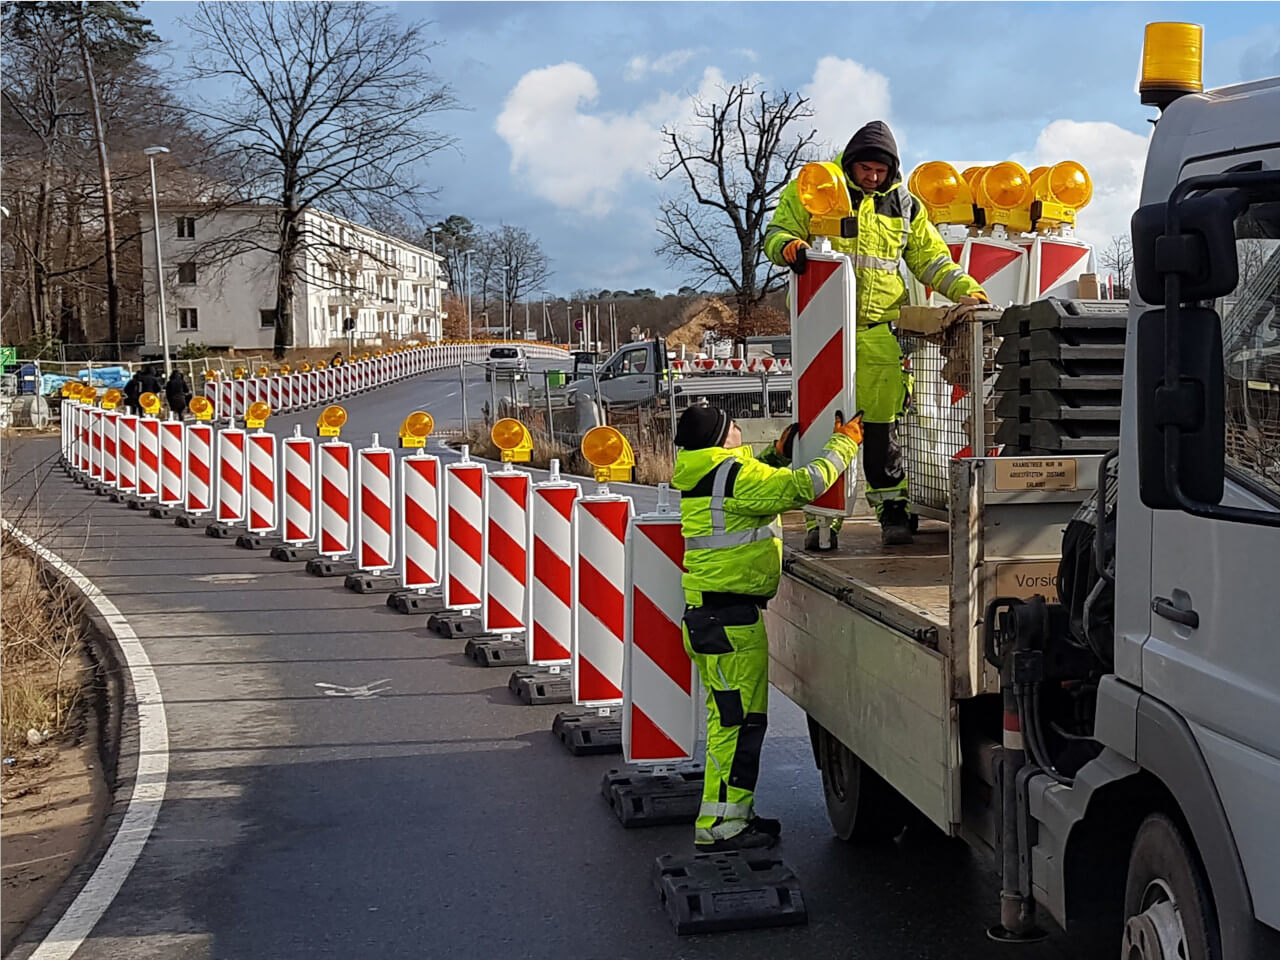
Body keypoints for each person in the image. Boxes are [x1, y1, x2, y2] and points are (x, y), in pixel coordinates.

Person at [764, 120, 990, 549]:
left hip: (875, 330)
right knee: (822, 423)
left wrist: (965, 290)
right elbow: (777, 233)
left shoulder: (904, 205)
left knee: (882, 424)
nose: (871, 177)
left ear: (892, 171)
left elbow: (931, 259)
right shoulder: (819, 187)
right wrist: (787, 247)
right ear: (850, 164)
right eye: (865, 169)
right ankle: (821, 518)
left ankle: (891, 508)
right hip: (822, 328)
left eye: (879, 171)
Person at [671, 403, 863, 851]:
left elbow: (753, 487)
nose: (739, 429)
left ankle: (726, 818)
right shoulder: (734, 477)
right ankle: (723, 826)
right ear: (721, 438)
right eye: (733, 425)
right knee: (738, 725)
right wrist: (845, 443)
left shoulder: (707, 472)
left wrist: (774, 456)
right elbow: (804, 485)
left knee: (729, 723)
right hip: (730, 622)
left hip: (711, 618)